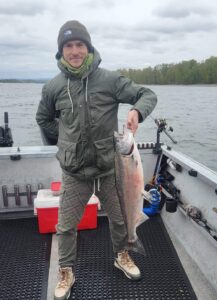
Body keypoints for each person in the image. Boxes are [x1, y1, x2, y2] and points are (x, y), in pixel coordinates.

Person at [36, 20, 157, 300]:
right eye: (69, 46)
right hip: (75, 172)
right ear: (61, 51)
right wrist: (65, 140)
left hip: (109, 169)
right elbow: (43, 119)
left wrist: (137, 112)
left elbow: (146, 94)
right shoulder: (53, 87)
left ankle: (122, 254)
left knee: (120, 220)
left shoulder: (109, 80)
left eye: (80, 45)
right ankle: (66, 270)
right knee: (65, 226)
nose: (75, 51)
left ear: (88, 47)